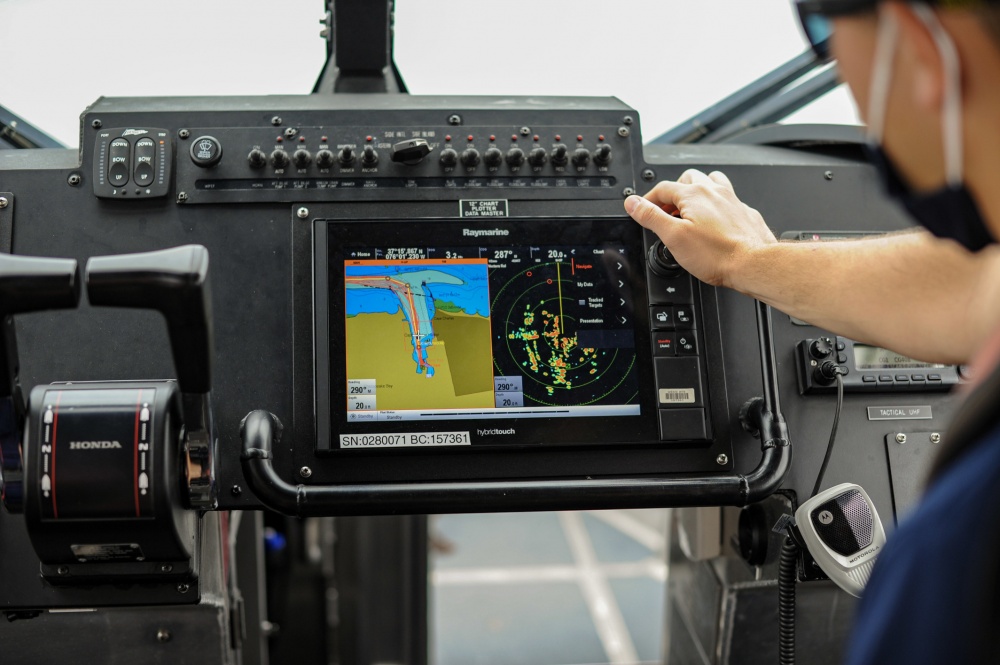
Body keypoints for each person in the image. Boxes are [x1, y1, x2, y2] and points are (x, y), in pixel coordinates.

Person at [625, 1, 1000, 662]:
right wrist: (750, 261)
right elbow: (971, 287)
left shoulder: (956, 557)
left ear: (920, 48)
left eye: (823, 35)